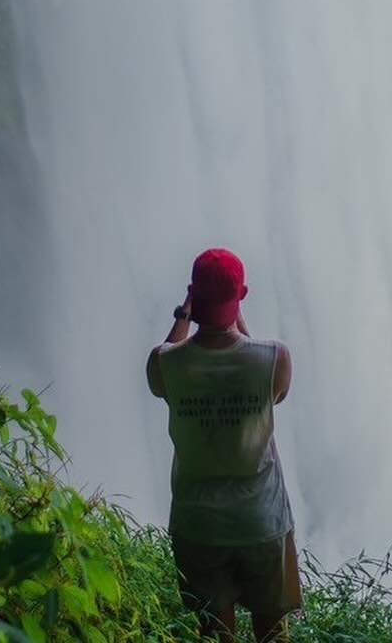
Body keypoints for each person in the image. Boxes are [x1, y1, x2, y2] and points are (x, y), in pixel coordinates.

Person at [146, 248, 299, 641]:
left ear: (193, 296)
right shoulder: (275, 359)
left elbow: (165, 359)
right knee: (271, 633)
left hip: (199, 525)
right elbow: (267, 387)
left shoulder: (166, 365)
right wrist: (234, 317)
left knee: (214, 634)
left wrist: (183, 316)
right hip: (262, 521)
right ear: (242, 294)